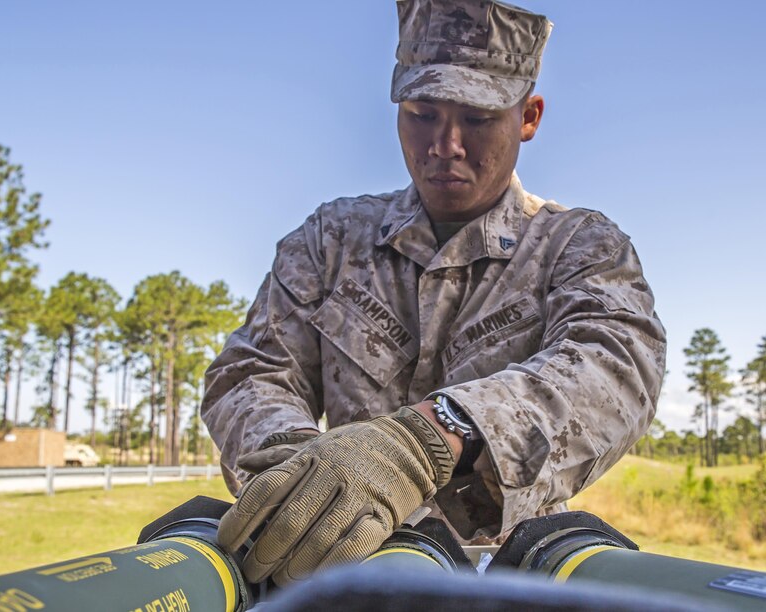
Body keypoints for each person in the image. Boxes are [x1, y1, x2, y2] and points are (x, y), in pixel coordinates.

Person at [201, 0, 666, 587]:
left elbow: (615, 365)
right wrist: (305, 476)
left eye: (476, 119)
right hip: (342, 574)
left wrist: (431, 436)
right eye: (422, 114)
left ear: (528, 117)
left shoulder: (578, 244)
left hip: (505, 579)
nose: (445, 144)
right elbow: (251, 371)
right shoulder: (330, 239)